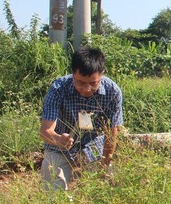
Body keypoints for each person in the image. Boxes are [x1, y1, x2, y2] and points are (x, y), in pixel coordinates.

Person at [39, 46, 123, 191]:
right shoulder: (58, 88)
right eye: (80, 83)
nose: (87, 89)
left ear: (102, 74)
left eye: (93, 83)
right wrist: (58, 139)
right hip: (60, 146)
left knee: (103, 189)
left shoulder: (112, 91)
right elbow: (45, 130)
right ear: (73, 74)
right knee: (52, 186)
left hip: (94, 144)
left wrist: (105, 162)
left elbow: (112, 132)